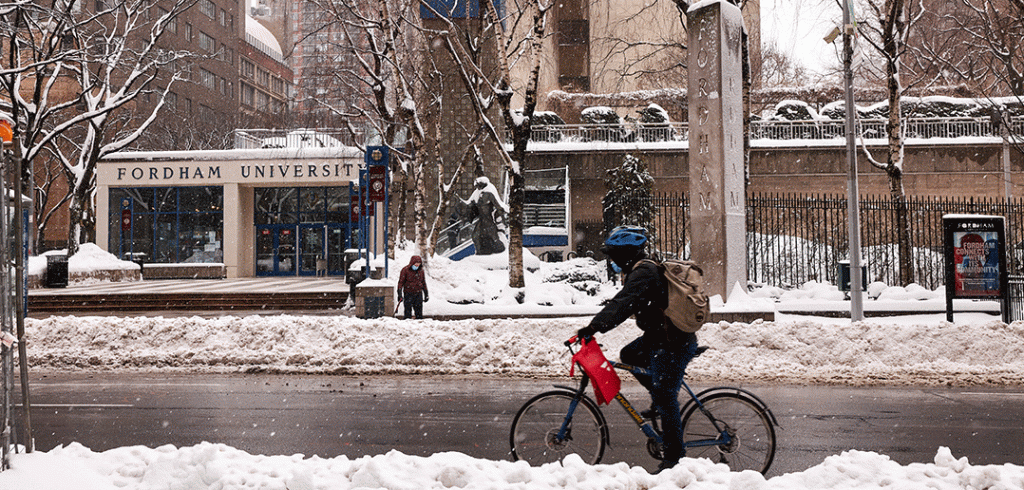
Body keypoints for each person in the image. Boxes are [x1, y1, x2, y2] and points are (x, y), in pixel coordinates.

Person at [576, 226, 699, 473]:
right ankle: (657, 400)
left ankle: (674, 458)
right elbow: (624, 301)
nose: (612, 260)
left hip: (673, 342)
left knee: (666, 397)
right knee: (630, 355)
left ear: (626, 254)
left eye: (614, 255)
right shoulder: (643, 270)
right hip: (661, 338)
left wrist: (594, 327)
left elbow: (623, 304)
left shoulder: (644, 272)